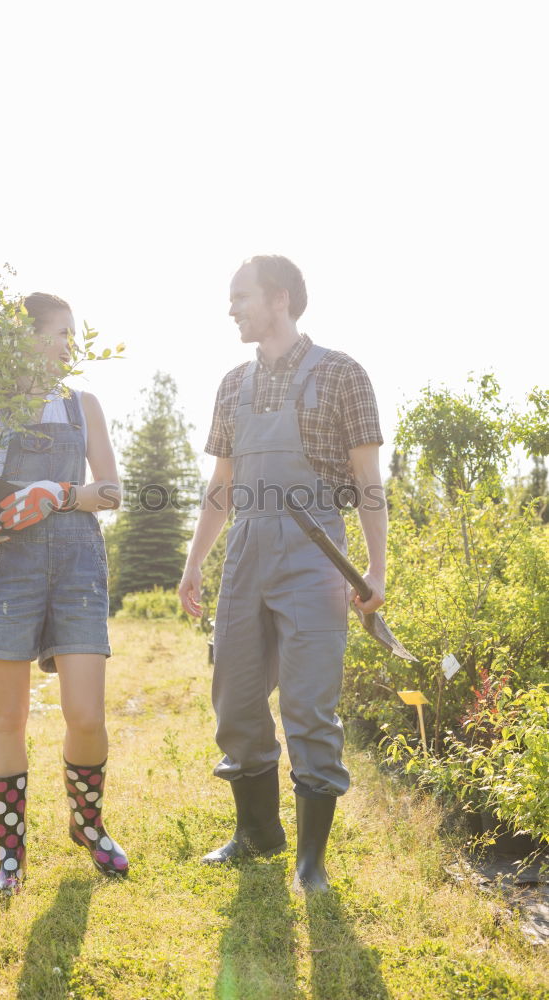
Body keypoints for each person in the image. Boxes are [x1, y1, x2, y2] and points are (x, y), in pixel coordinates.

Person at [179, 256, 386, 892]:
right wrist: (194, 565)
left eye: (241, 297)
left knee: (308, 706)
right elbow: (222, 485)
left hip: (315, 553)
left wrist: (377, 568)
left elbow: (368, 481)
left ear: (280, 298)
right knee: (235, 700)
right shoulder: (231, 384)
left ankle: (311, 861)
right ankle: (257, 833)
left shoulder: (342, 374)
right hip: (245, 550)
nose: (232, 308)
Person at [0, 292, 128, 893]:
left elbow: (110, 492)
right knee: (8, 715)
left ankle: (88, 824)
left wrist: (55, 493)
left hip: (78, 562)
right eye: (59, 333)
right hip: (7, 568)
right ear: (22, 339)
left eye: (72, 335)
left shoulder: (84, 407)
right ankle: (10, 855)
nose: (68, 346)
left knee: (85, 711)